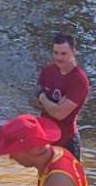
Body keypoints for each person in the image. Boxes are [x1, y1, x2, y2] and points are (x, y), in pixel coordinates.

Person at [31, 32, 89, 160]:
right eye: (55, 53)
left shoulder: (79, 80)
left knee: (68, 173)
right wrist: (53, 105)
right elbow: (32, 101)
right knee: (44, 173)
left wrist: (42, 97)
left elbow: (60, 114)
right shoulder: (48, 70)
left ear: (74, 52)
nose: (59, 58)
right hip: (45, 139)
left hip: (67, 141)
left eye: (63, 53)